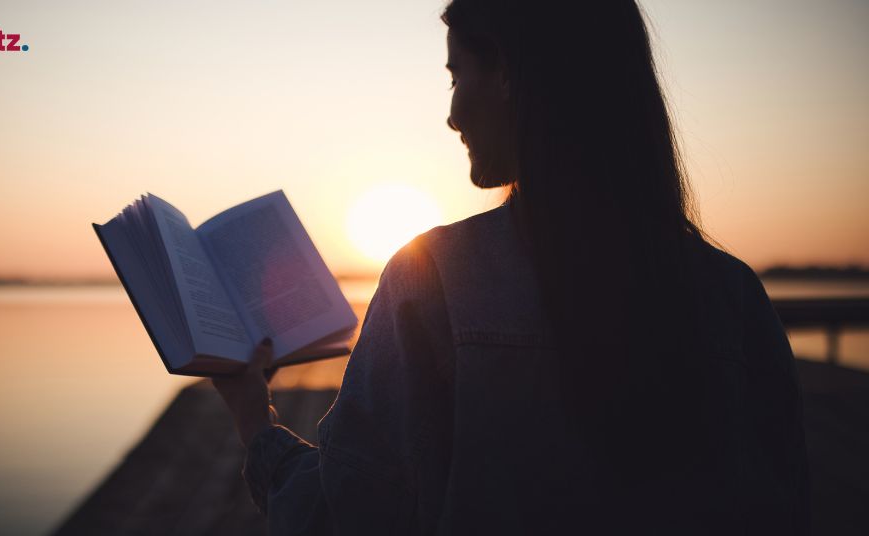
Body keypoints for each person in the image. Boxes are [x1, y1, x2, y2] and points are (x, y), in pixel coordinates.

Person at [214, 0, 810, 533]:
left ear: (506, 73)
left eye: (456, 75)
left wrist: (254, 422)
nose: (451, 114)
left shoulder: (434, 280)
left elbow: (346, 513)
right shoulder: (735, 296)